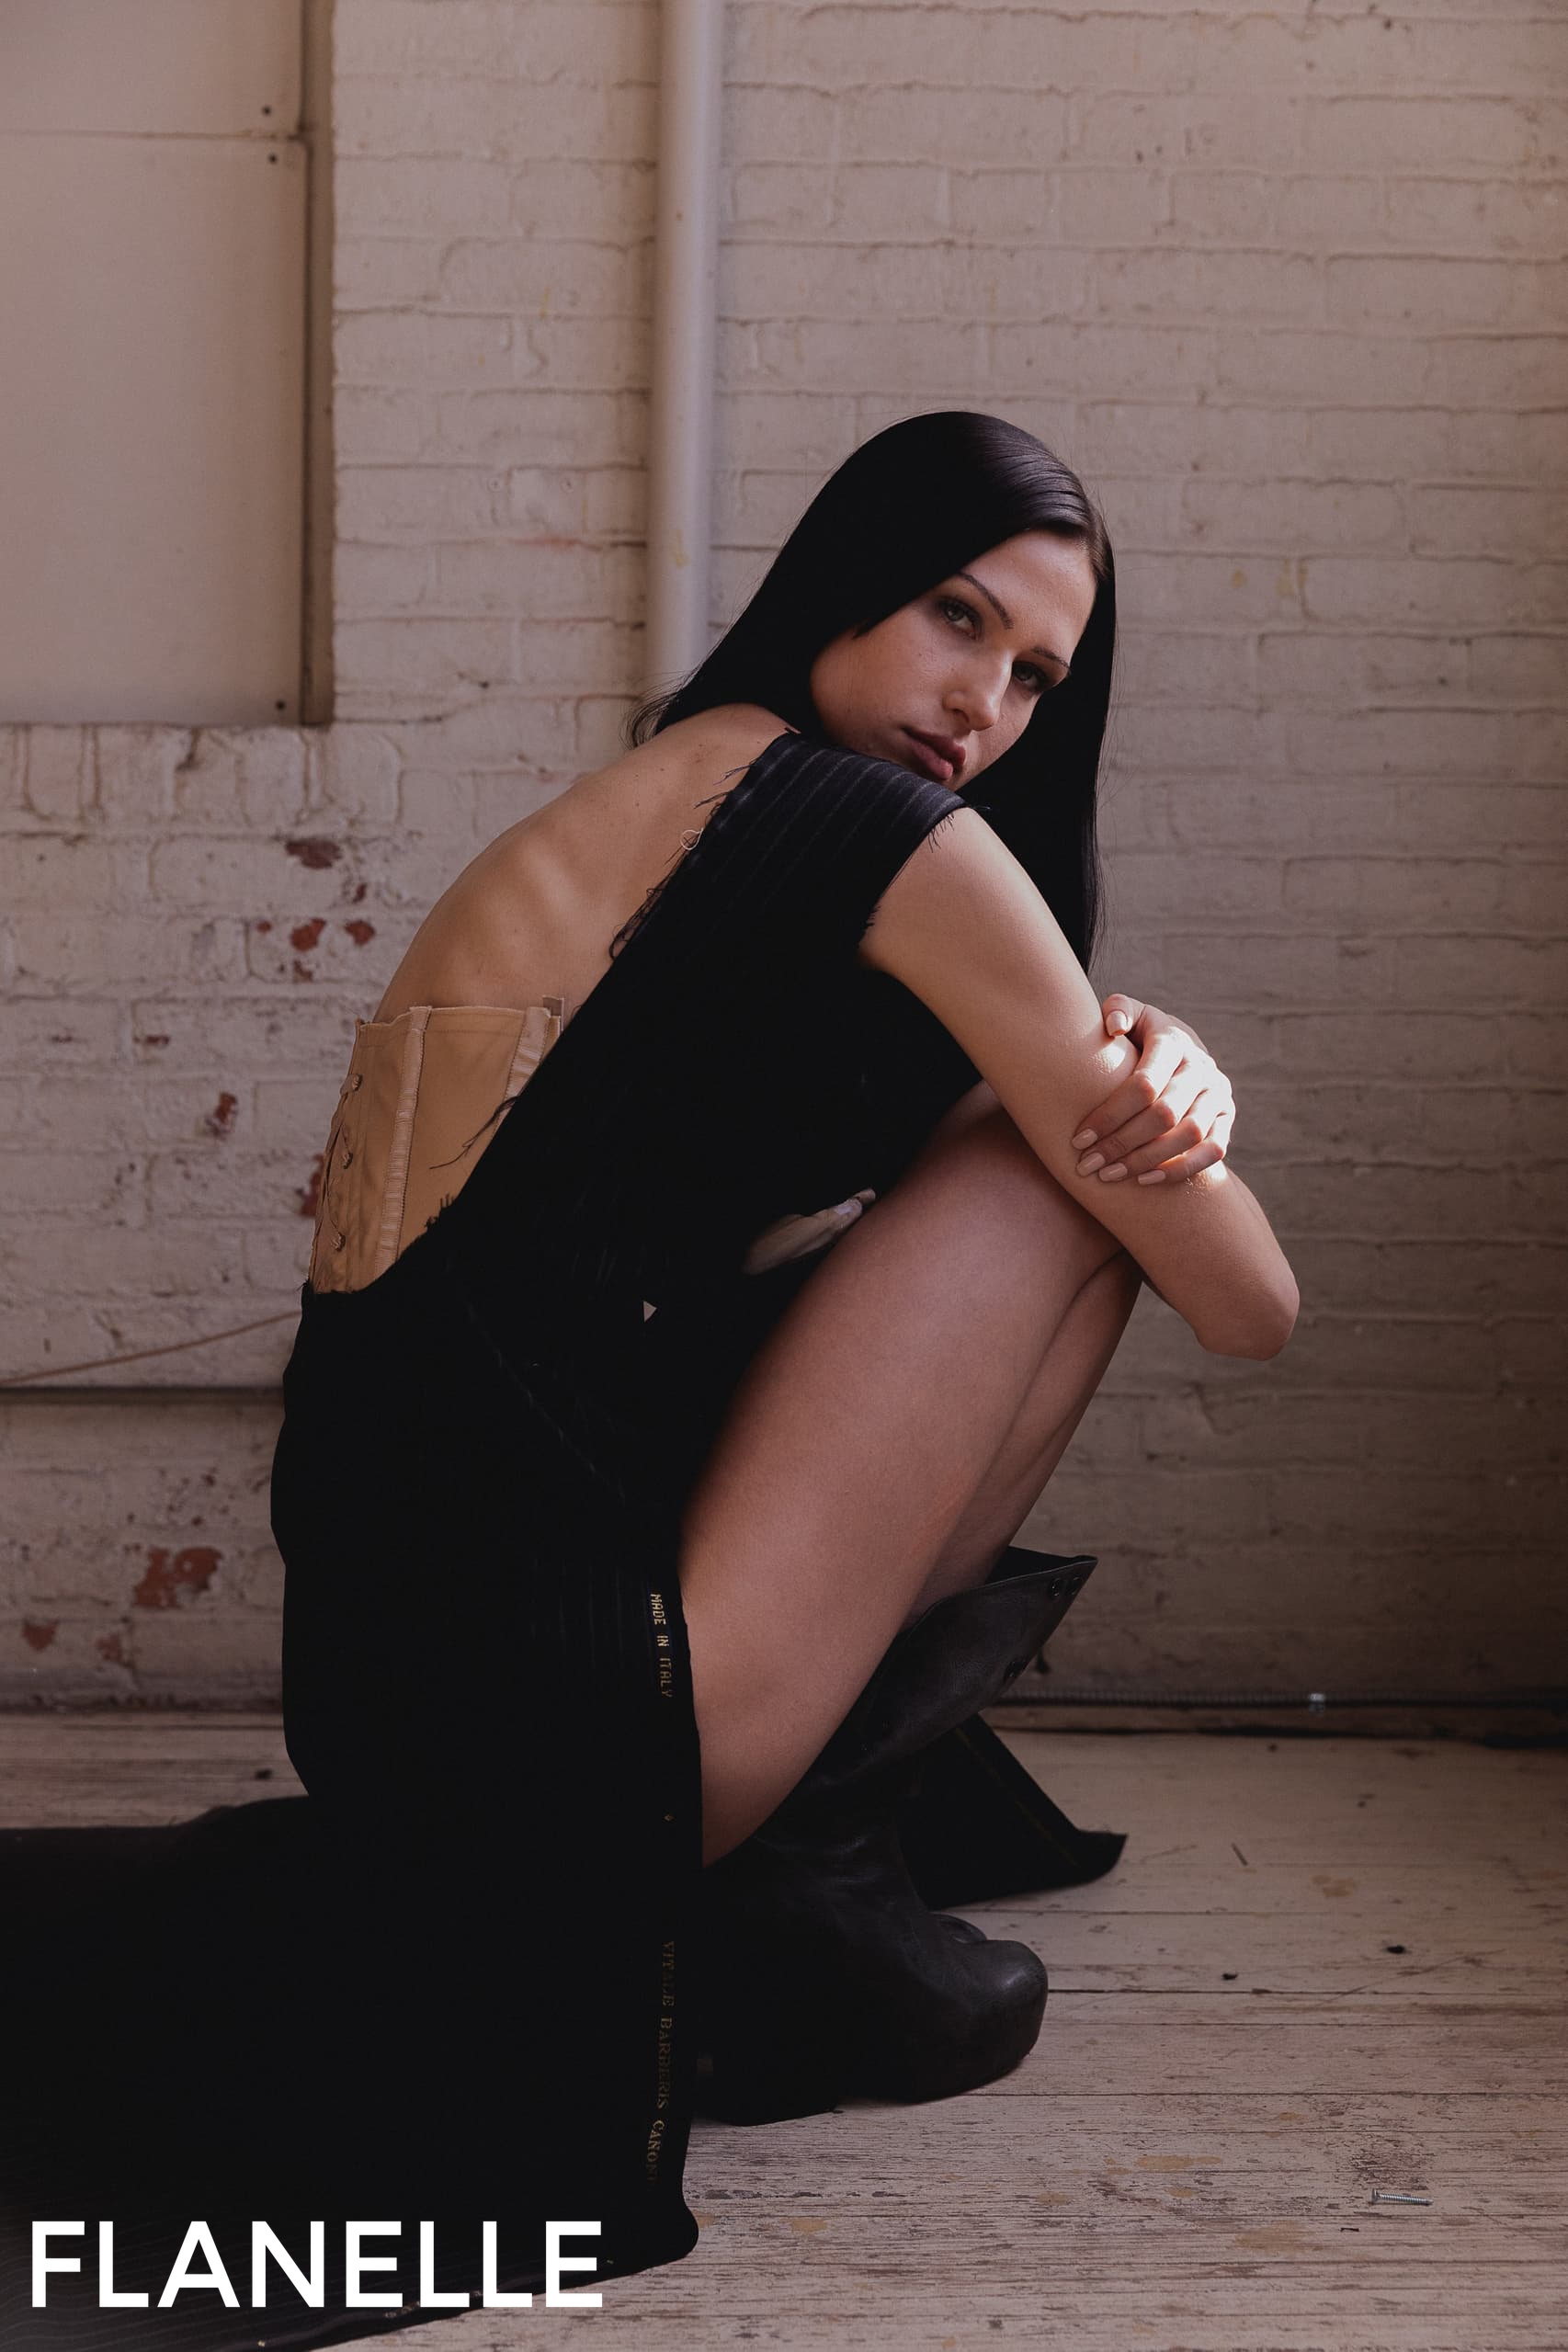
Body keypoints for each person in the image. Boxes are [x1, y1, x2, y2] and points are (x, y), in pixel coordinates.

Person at [0, 412, 1296, 2348]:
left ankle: (800, 1860)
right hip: (579, 1736)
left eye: (1035, 674)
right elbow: (1251, 1297)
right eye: (958, 615)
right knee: (1057, 1181)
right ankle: (799, 1875)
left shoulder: (690, 794)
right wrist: (1146, 1081)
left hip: (401, 1699)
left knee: (1027, 1137)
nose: (985, 702)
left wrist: (1130, 1045)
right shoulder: (875, 831)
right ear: (848, 574)